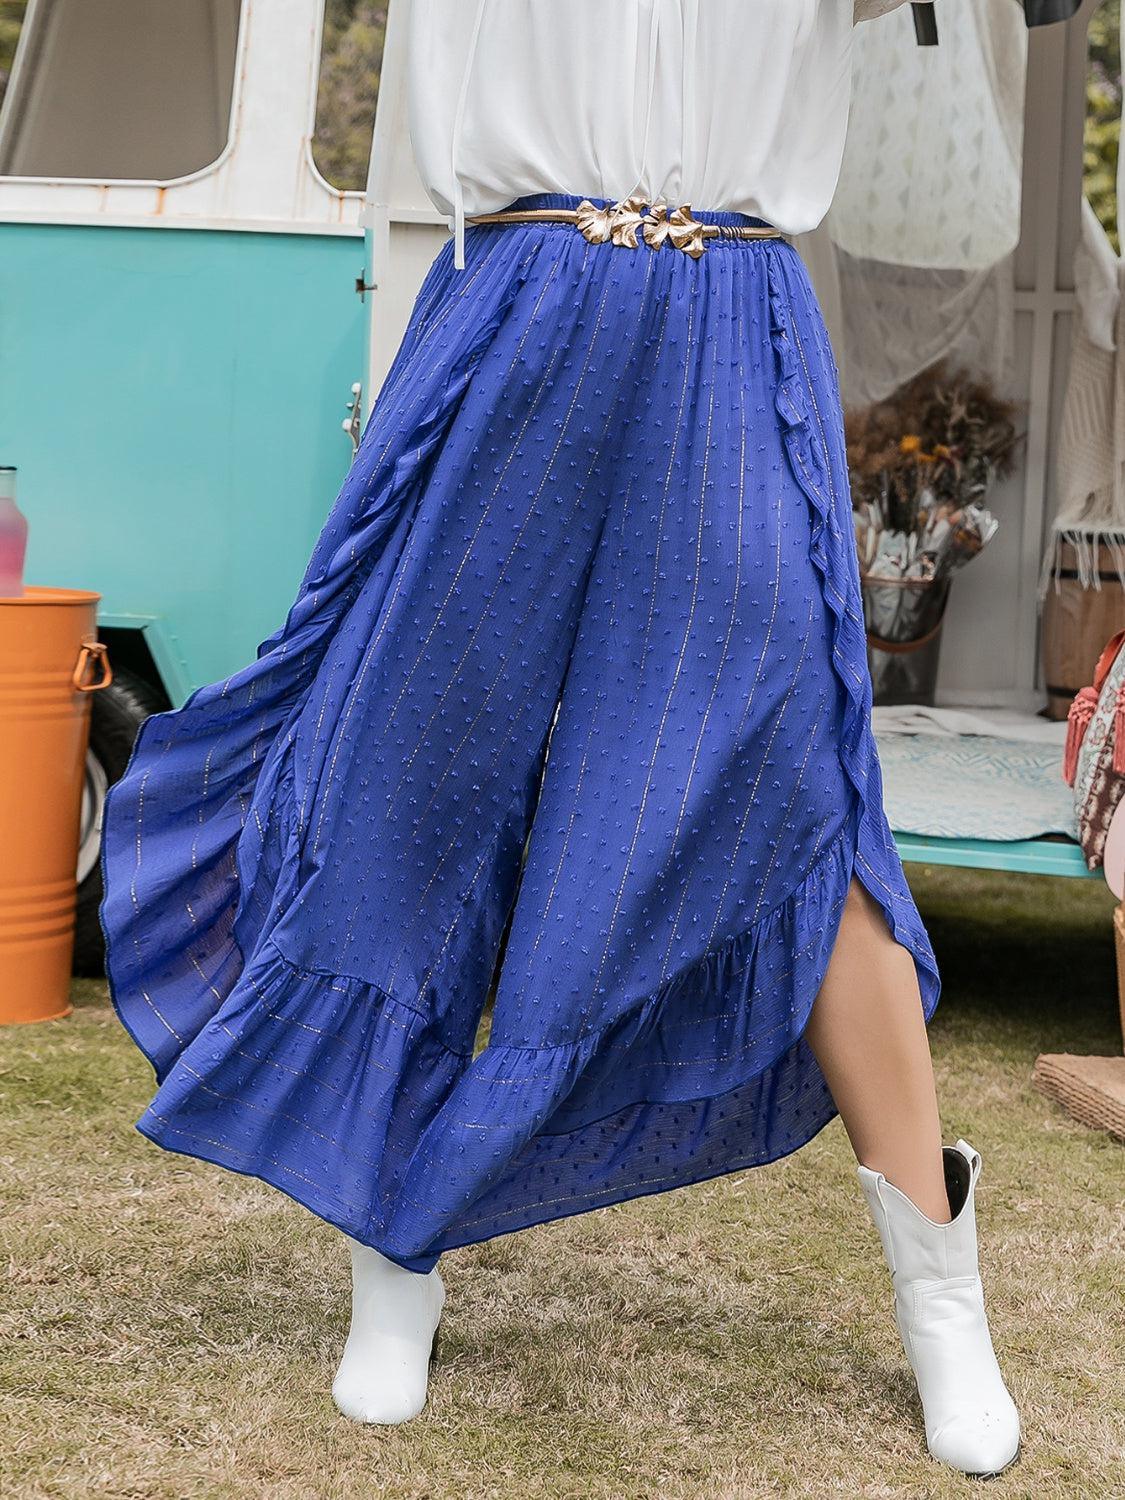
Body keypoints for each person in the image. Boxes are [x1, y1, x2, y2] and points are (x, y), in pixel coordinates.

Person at [100, 0, 1020, 1477]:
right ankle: (392, 1239)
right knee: (417, 767)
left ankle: (942, 1301)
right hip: (518, 290)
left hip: (732, 314)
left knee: (794, 785)